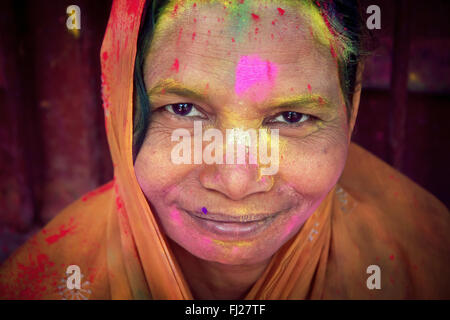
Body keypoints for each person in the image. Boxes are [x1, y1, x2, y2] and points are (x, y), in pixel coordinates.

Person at [0, 0, 449, 300]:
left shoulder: (429, 266)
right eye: (183, 109)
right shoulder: (42, 284)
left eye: (291, 118)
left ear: (349, 111)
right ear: (120, 109)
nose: (236, 182)